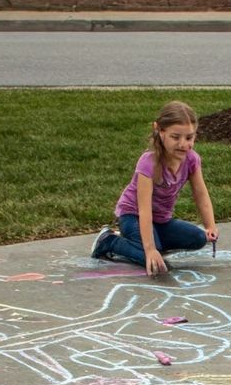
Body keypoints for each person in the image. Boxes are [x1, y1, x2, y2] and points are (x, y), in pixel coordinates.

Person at [92, 100, 217, 274]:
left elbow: (200, 193)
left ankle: (149, 242)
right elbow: (144, 209)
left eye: (189, 138)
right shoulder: (149, 162)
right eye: (176, 137)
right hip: (132, 216)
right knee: (154, 261)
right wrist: (150, 250)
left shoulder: (192, 160)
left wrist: (210, 226)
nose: (183, 144)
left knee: (198, 238)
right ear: (159, 130)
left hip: (161, 220)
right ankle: (109, 241)